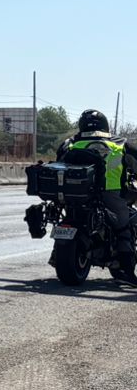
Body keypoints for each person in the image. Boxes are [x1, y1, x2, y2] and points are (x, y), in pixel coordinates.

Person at [57, 108, 137, 283]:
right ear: (105, 125)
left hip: (75, 194)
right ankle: (127, 270)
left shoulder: (69, 143)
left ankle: (57, 256)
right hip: (110, 193)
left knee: (68, 216)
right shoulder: (120, 144)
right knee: (124, 228)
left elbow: (58, 163)